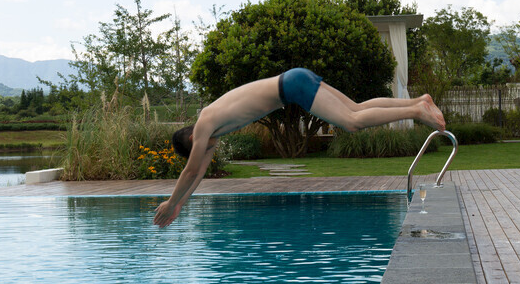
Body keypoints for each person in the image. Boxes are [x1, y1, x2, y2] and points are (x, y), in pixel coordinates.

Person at [153, 68, 445, 227]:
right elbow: (198, 175)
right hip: (294, 79)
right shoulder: (213, 131)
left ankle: (416, 113)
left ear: (190, 139)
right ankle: (419, 101)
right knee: (356, 109)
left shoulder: (204, 122)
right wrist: (179, 204)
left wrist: (169, 200)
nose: (207, 150)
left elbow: (191, 169)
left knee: (352, 122)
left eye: (199, 148)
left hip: (292, 87)